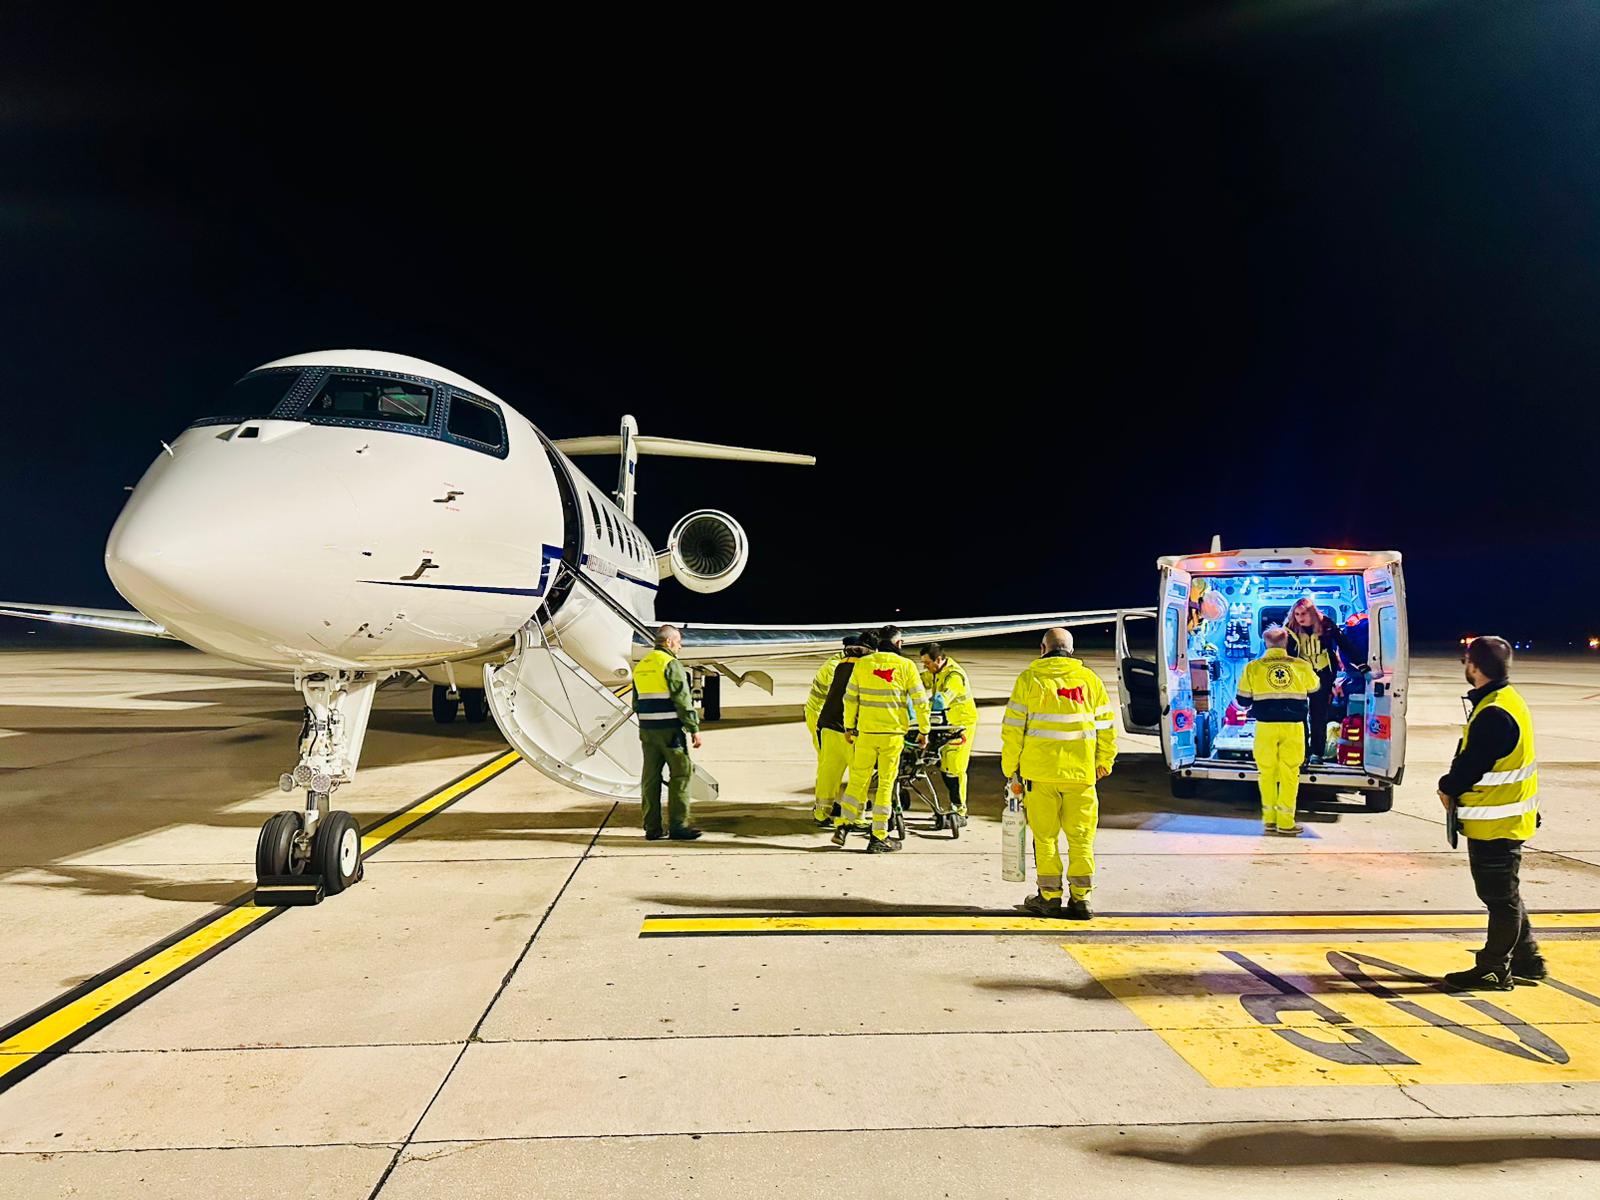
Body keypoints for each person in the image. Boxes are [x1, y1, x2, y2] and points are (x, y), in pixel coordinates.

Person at [1436, 636, 1544, 991]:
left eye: (1467, 660)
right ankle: (1527, 960)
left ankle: (1494, 969)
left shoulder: (1494, 712)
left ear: (1475, 667)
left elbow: (1473, 764)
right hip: (1507, 816)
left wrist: (1447, 786)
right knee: (1505, 894)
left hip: (1495, 822)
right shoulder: (1508, 700)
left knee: (1500, 899)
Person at [1000, 627, 1116, 919]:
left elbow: (1012, 730)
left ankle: (1050, 897)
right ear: (1071, 650)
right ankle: (1082, 899)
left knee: (1045, 838)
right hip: (1081, 775)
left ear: (1043, 649)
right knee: (1082, 838)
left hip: (1040, 775)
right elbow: (1106, 727)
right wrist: (1104, 761)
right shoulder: (1090, 680)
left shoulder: (1029, 680)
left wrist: (1010, 768)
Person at [834, 624, 930, 853]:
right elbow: (920, 701)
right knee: (886, 784)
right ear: (899, 643)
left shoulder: (863, 664)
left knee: (858, 780)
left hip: (865, 733)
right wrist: (924, 730)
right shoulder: (906, 666)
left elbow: (850, 698)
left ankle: (843, 824)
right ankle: (879, 836)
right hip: (891, 735)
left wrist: (849, 726)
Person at [1236, 625, 1320, 835]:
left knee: (1266, 772)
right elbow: (1315, 688)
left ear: (1265, 643)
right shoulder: (1301, 665)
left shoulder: (1253, 667)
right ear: (1286, 643)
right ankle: (1285, 822)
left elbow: (1243, 700)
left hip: (1265, 727)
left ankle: (1270, 820)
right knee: (1290, 773)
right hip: (1293, 727)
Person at [631, 624, 703, 841]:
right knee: (681, 774)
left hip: (647, 730)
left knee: (650, 778)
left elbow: (636, 702)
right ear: (669, 641)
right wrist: (693, 728)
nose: (680, 646)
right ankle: (678, 826)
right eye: (678, 642)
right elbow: (683, 700)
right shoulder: (670, 664)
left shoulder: (642, 665)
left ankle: (652, 828)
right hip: (670, 731)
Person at [1285, 597, 1363, 763]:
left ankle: (1317, 752)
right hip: (1300, 676)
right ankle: (1303, 752)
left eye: (1303, 614)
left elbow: (1345, 644)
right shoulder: (1289, 628)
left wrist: (1361, 664)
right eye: (1297, 614)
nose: (1300, 618)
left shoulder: (1326, 625)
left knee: (1318, 715)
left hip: (1322, 675)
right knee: (1299, 714)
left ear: (1312, 613)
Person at [811, 632, 876, 824]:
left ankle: (822, 812)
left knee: (828, 773)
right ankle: (856, 817)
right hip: (850, 730)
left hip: (828, 724)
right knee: (859, 774)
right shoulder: (864, 668)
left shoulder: (839, 664)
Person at [920, 642, 978, 827]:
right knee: (944, 766)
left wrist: (919, 708)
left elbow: (941, 700)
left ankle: (960, 810)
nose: (925, 667)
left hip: (960, 726)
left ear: (938, 659)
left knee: (954, 768)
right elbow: (920, 681)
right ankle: (954, 806)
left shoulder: (954, 676)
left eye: (927, 663)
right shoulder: (937, 672)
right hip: (947, 725)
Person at [805, 637, 852, 749]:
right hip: (818, 714)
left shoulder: (842, 661)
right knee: (826, 751)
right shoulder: (835, 667)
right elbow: (840, 695)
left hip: (821, 712)